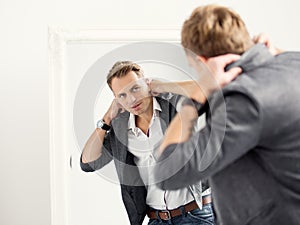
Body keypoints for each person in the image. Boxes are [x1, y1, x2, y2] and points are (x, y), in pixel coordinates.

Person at [154, 4, 300, 225]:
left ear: (203, 62)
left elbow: (168, 171)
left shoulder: (244, 103)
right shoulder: (293, 62)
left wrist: (194, 97)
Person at [80, 60, 240, 225]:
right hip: (157, 219)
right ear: (116, 99)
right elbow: (87, 163)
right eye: (122, 95)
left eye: (135, 88)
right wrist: (106, 120)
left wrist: (165, 86)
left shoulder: (175, 105)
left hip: (196, 215)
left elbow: (210, 91)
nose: (132, 99)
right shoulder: (120, 128)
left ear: (146, 83)